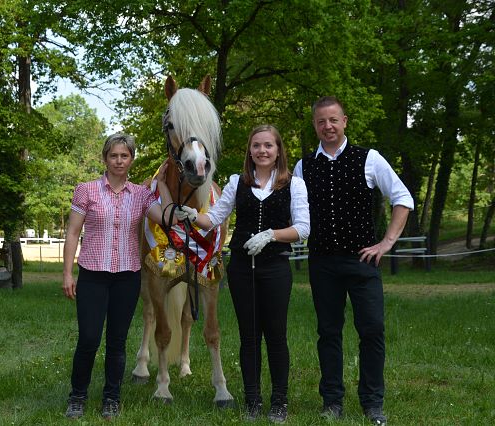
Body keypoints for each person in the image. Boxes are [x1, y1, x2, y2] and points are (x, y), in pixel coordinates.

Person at [175, 124, 310, 423]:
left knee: (276, 336)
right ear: (250, 150)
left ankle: (279, 401)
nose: (262, 151)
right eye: (257, 145)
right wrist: (193, 217)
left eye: (268, 146)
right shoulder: (238, 182)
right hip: (241, 270)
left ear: (278, 151)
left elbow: (302, 228)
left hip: (275, 268)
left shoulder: (293, 184)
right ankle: (252, 399)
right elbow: (214, 219)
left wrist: (271, 235)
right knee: (248, 337)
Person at [293, 96, 414, 426]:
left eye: (333, 120)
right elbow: (292, 211)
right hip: (322, 263)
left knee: (372, 330)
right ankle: (332, 401)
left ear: (344, 121)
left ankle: (373, 402)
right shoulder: (303, 167)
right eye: (321, 122)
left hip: (362, 262)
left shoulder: (369, 159)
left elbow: (403, 198)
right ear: (315, 125)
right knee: (328, 332)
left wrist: (386, 242)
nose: (327, 126)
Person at [62, 133, 174, 420]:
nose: (119, 160)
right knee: (88, 338)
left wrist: (161, 183)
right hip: (93, 275)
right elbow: (73, 232)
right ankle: (77, 396)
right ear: (105, 158)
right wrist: (67, 273)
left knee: (117, 341)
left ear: (131, 160)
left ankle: (111, 397)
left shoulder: (140, 195)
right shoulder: (85, 190)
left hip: (127, 277)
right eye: (114, 155)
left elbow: (167, 217)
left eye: (125, 156)